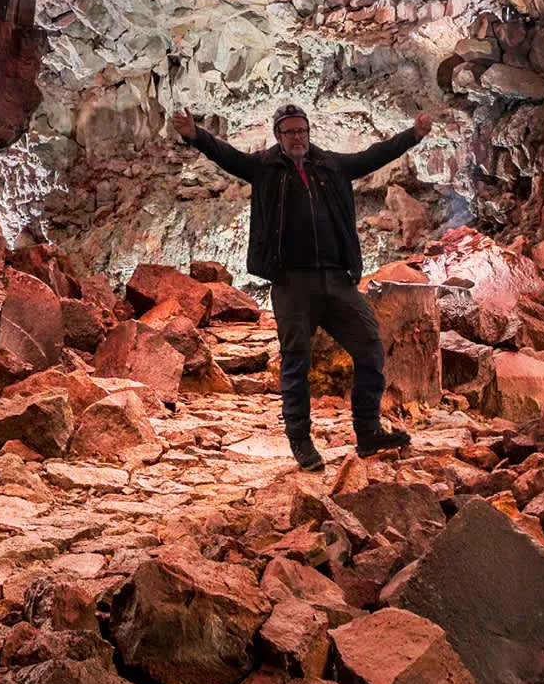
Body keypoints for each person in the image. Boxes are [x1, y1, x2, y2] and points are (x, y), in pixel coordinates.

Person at [172, 102, 433, 470]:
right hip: (292, 283)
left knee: (370, 348)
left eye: (302, 131)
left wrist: (414, 135)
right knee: (296, 361)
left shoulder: (331, 165)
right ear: (278, 136)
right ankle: (301, 441)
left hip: (336, 279)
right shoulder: (264, 167)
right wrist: (195, 135)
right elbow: (225, 155)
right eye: (291, 132)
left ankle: (369, 431)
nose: (298, 137)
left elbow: (375, 155)